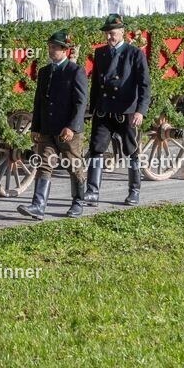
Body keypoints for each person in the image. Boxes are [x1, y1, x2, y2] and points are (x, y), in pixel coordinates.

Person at [18, 30, 89, 220]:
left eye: (55, 48)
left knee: (73, 165)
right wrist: (35, 127)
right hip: (48, 128)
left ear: (65, 50)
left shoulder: (76, 71)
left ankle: (78, 202)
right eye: (49, 47)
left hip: (68, 130)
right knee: (44, 164)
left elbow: (81, 103)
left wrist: (72, 127)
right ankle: (38, 206)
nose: (51, 50)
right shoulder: (44, 72)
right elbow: (39, 101)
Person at [84, 14, 151, 207]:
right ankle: (92, 192)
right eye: (106, 34)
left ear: (122, 32)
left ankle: (134, 192)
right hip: (104, 110)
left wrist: (140, 110)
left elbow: (144, 84)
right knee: (96, 150)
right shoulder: (101, 53)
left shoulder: (134, 53)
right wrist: (93, 108)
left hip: (127, 111)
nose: (108, 37)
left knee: (132, 152)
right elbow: (96, 83)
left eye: (112, 33)